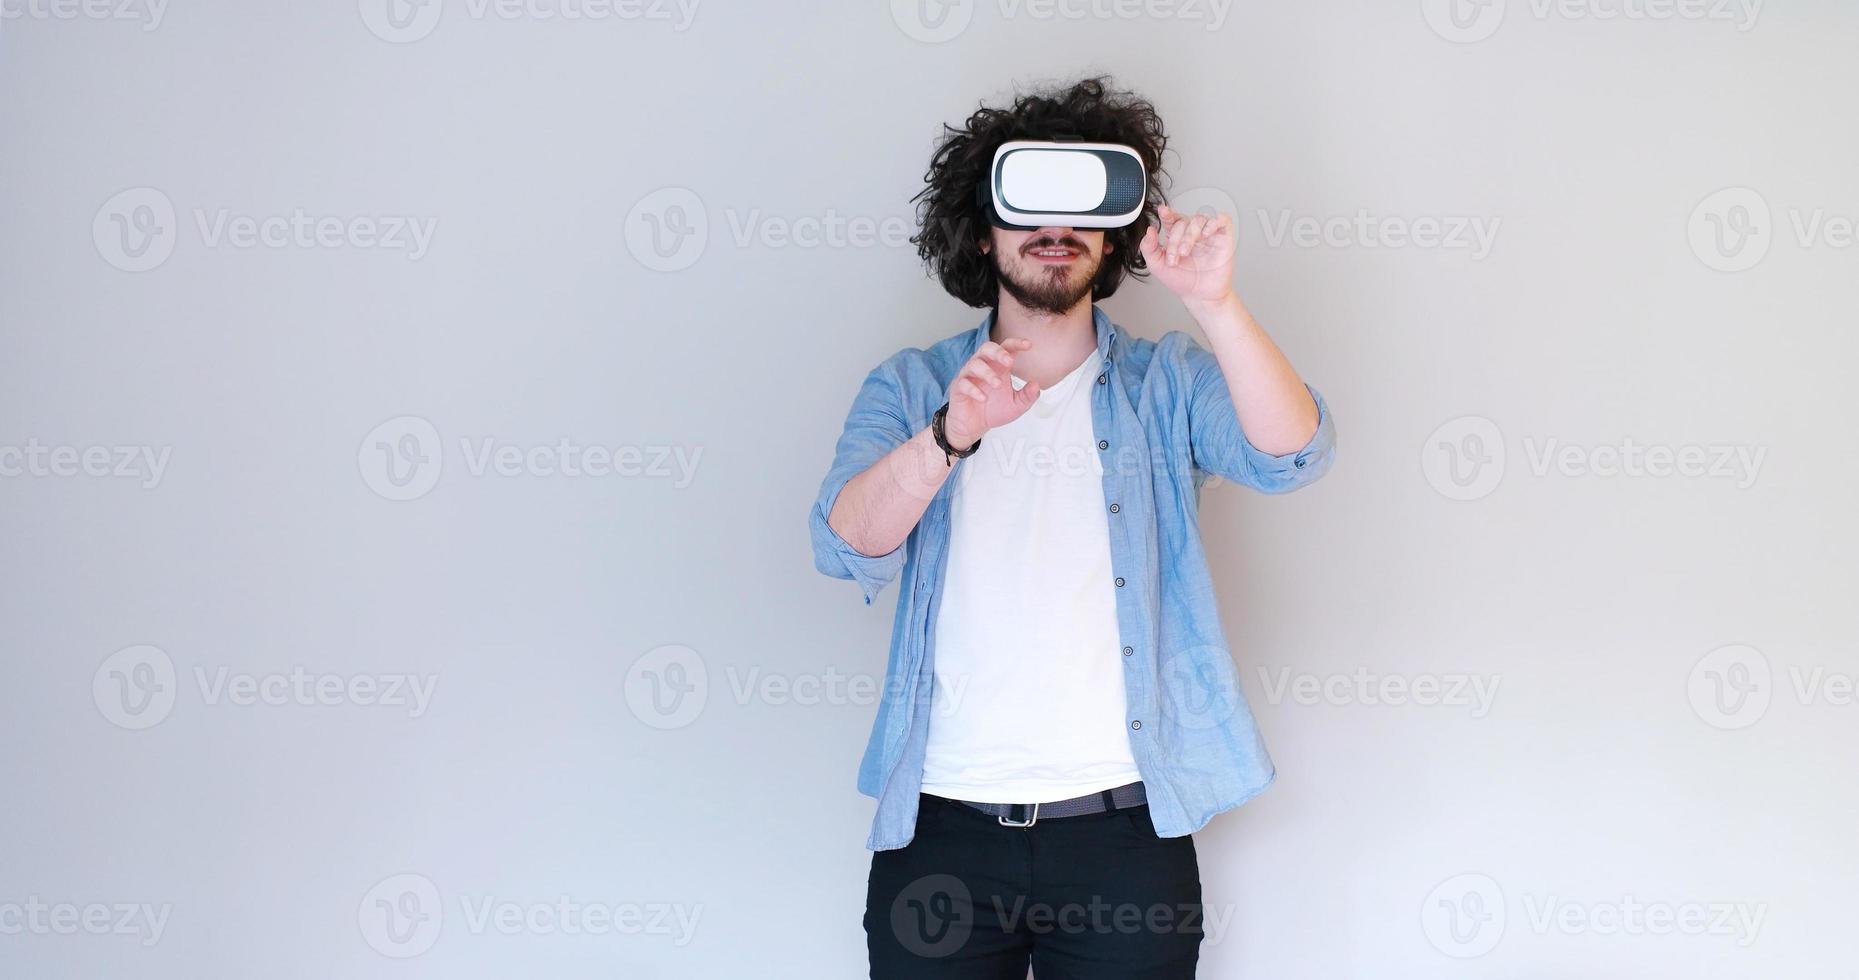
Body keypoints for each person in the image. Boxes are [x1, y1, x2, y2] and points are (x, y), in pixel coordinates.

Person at [808, 75, 1338, 978]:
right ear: (983, 229)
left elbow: (1293, 453)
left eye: (1079, 207)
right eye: (1026, 207)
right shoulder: (910, 387)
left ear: (1112, 232)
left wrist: (1213, 302)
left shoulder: (1163, 383)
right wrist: (949, 435)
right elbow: (843, 540)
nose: (1053, 231)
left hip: (1123, 837)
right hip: (941, 833)